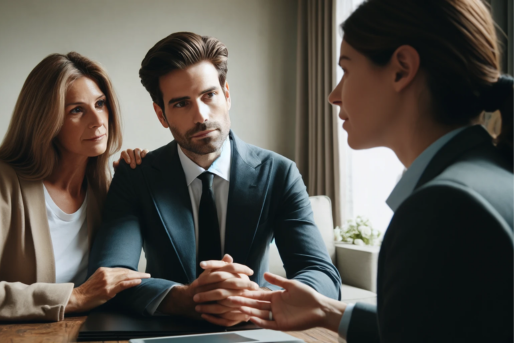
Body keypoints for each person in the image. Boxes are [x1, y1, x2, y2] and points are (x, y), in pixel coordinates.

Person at [226, 0, 514, 341]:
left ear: (401, 69)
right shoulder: (489, 179)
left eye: (346, 69)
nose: (334, 96)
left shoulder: (444, 206)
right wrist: (328, 311)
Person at [88, 32, 341, 327]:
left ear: (227, 95)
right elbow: (109, 275)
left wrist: (250, 301)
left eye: (209, 95)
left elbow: (321, 274)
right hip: (165, 331)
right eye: (182, 104)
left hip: (254, 329)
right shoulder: (136, 177)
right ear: (161, 114)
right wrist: (185, 299)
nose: (201, 115)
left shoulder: (279, 173)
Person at [0, 52, 149, 322]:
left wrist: (138, 180)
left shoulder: (105, 189)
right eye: (76, 110)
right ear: (46, 120)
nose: (97, 120)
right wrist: (74, 297)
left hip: (90, 333)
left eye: (100, 103)